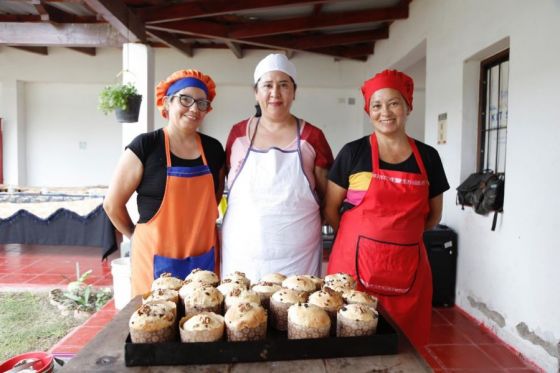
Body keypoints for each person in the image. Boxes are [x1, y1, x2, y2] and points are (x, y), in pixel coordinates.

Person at [324, 69, 449, 347]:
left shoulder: (428, 157)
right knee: (351, 342)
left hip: (408, 273)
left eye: (394, 103)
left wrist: (397, 238)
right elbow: (330, 210)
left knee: (404, 347)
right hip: (352, 272)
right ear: (369, 111)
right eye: (376, 105)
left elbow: (434, 215)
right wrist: (357, 238)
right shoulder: (353, 153)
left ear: (408, 106)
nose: (385, 112)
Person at [103, 69, 225, 296]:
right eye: (185, 99)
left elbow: (214, 197)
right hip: (154, 259)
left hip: (203, 259)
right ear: (167, 103)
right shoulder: (146, 146)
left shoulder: (214, 149)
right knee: (154, 324)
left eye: (201, 102)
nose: (194, 108)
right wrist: (136, 236)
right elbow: (112, 205)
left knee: (202, 323)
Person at [221, 54, 334, 282]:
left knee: (298, 312)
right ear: (256, 92)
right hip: (243, 252)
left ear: (294, 91)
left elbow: (327, 196)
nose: (275, 93)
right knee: (242, 311)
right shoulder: (238, 134)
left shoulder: (312, 136)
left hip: (298, 255)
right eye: (268, 85)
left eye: (284, 85)